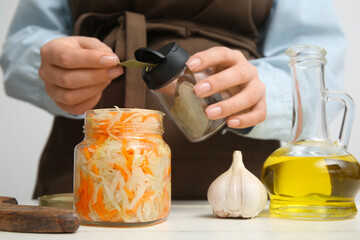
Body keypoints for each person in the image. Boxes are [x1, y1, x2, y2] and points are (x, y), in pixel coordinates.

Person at [0, 0, 346, 199]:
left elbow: (316, 58)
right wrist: (48, 66)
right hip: (87, 173)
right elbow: (24, 41)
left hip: (234, 176)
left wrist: (264, 93)